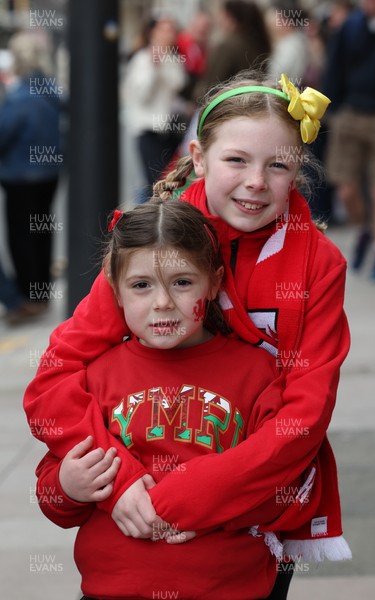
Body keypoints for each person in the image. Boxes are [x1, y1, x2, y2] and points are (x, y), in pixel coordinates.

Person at [25, 70, 351, 598]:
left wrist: (195, 497)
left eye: (278, 166)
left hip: (258, 490)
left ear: (298, 170)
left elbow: (304, 413)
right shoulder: (153, 242)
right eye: (236, 160)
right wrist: (122, 480)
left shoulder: (320, 263)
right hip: (137, 491)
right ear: (198, 157)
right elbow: (57, 374)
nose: (255, 182)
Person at [35, 199, 324, 599]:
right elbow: (53, 497)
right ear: (114, 289)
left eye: (183, 282)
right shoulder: (93, 378)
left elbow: (286, 488)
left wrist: (215, 506)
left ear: (215, 282)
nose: (163, 303)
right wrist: (69, 486)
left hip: (230, 590)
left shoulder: (256, 373)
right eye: (141, 285)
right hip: (112, 592)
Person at [323, 0, 375, 280]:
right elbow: (333, 69)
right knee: (347, 189)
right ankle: (363, 230)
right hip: (350, 114)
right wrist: (330, 109)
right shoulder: (351, 27)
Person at [0, 31, 63, 311]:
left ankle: (28, 295)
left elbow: (4, 133)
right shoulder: (49, 89)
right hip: (49, 172)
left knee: (21, 235)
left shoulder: (18, 97)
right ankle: (42, 292)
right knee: (42, 230)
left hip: (20, 175)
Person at [122, 15, 187, 202]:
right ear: (153, 32)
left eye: (171, 30)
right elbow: (141, 95)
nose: (168, 34)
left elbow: (177, 86)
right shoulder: (142, 59)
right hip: (148, 130)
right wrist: (154, 68)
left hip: (169, 131)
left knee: (167, 181)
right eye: (163, 29)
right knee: (154, 183)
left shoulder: (172, 58)